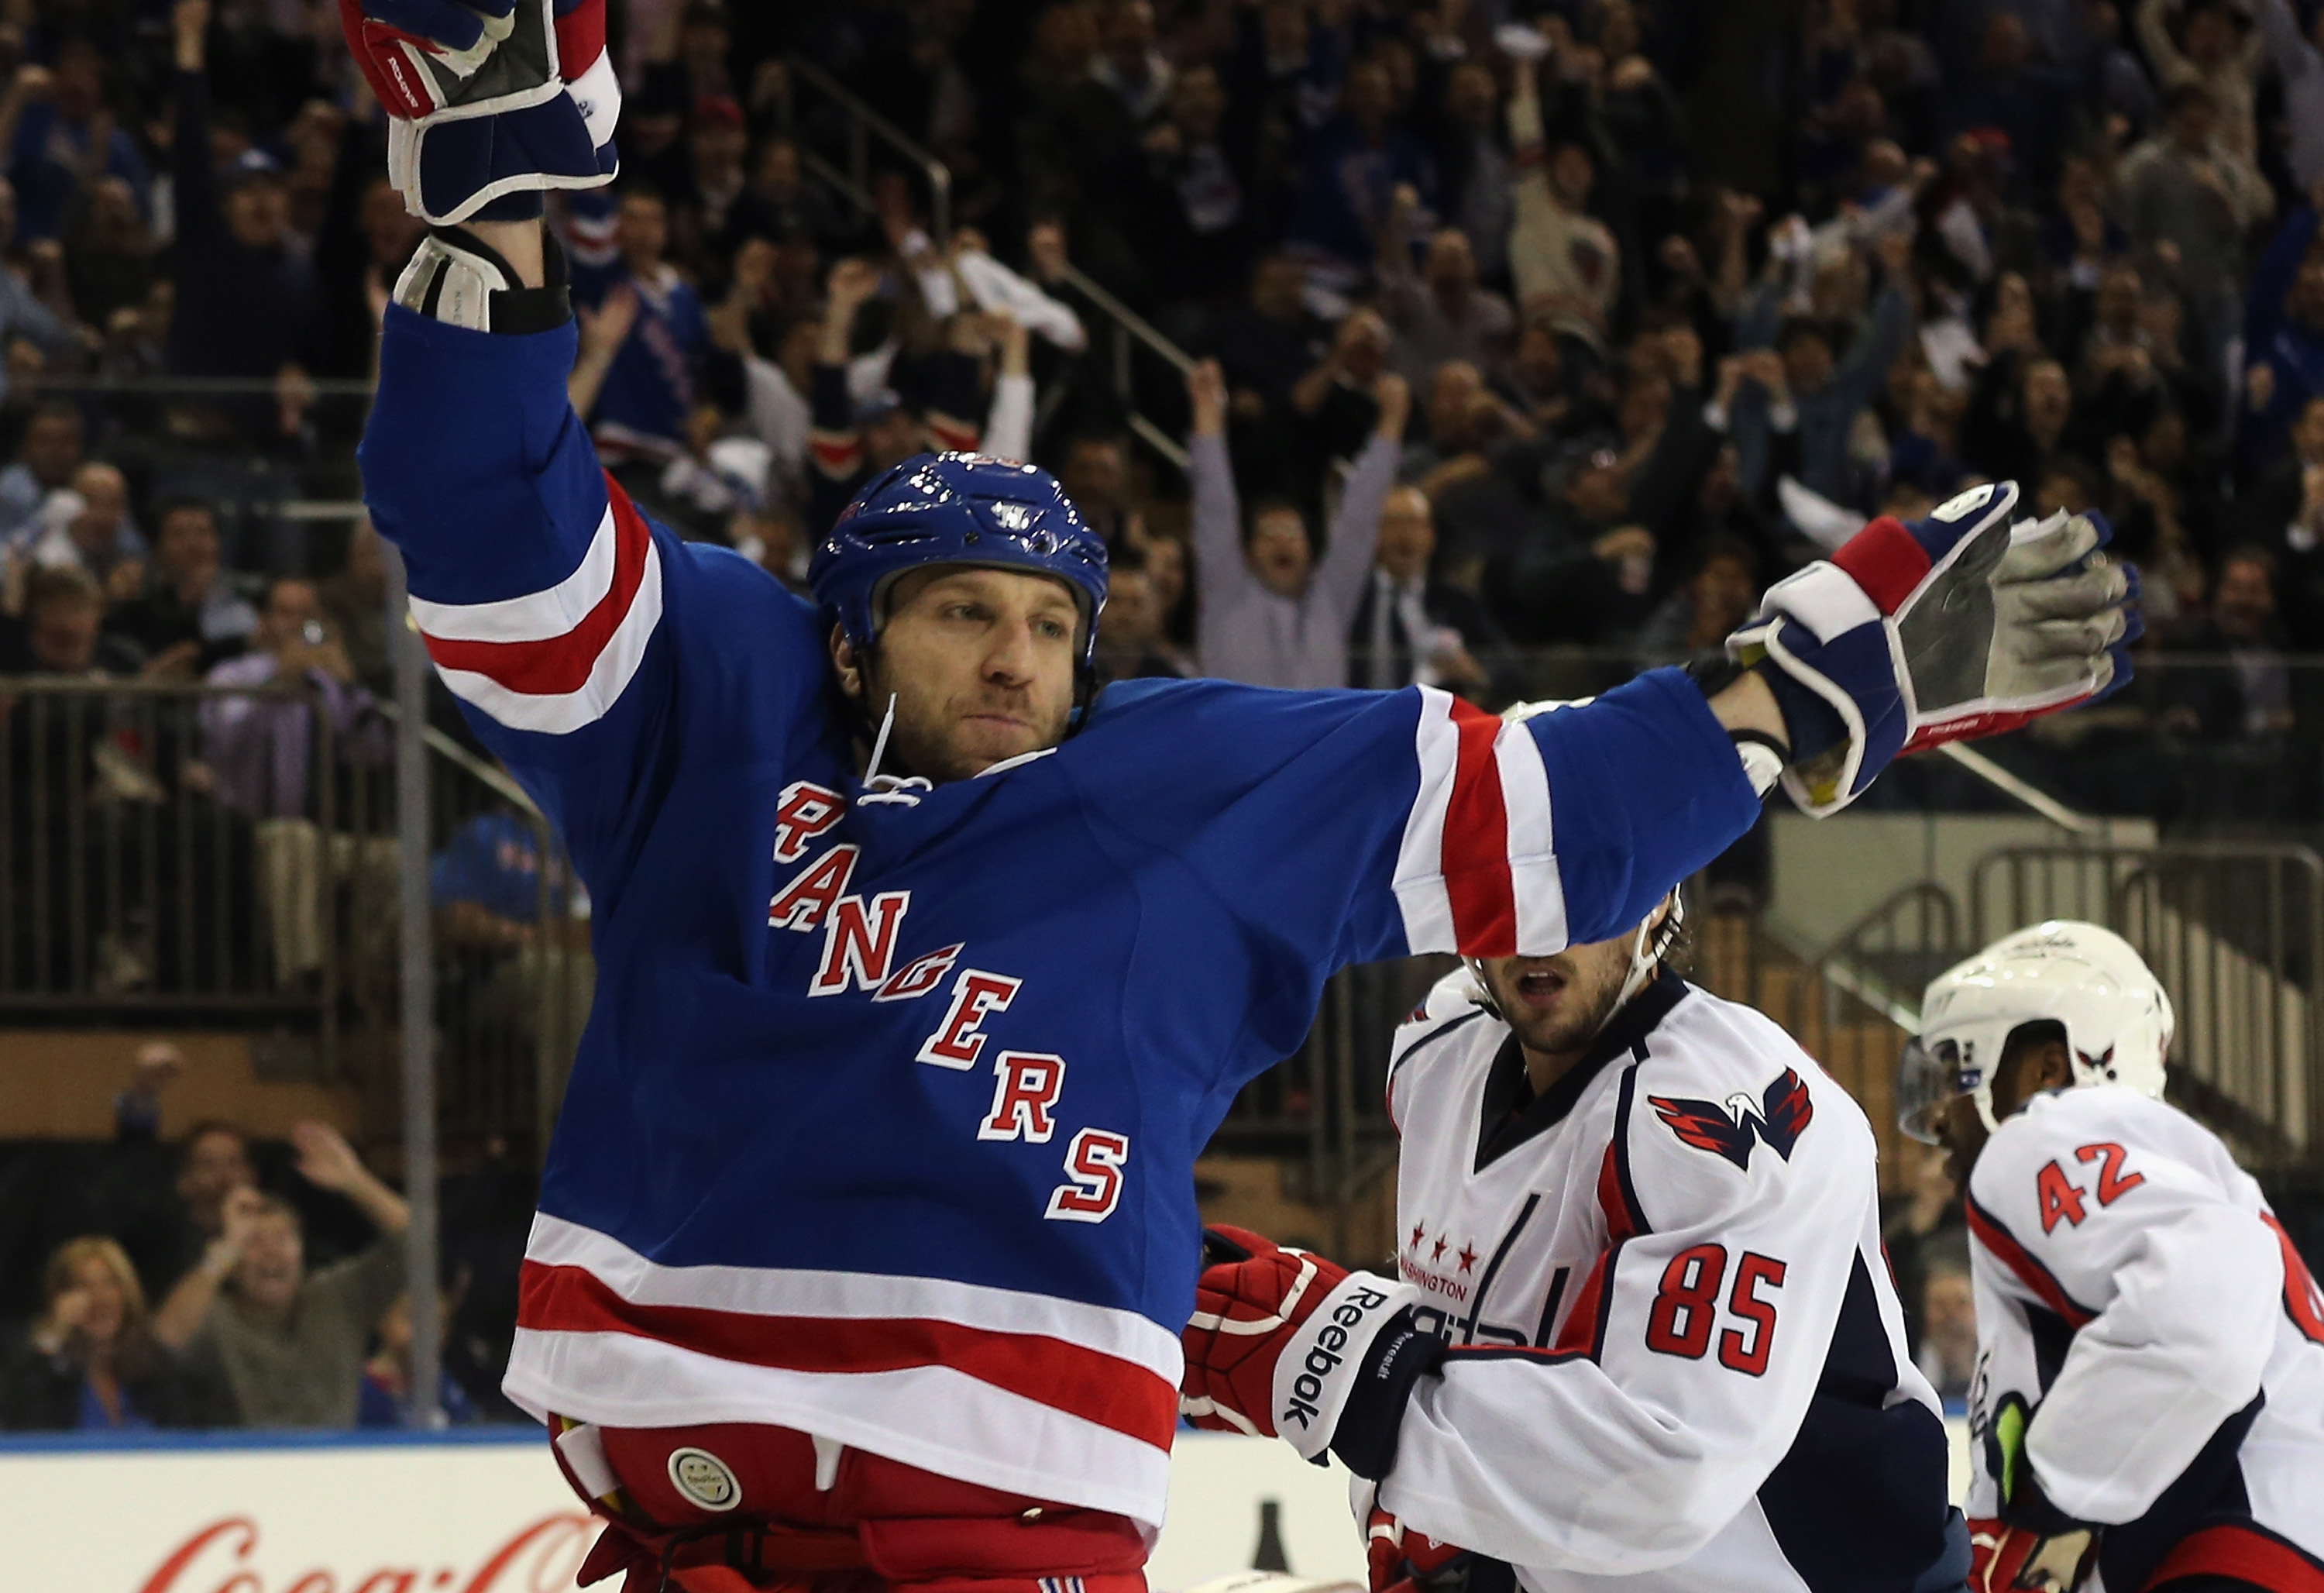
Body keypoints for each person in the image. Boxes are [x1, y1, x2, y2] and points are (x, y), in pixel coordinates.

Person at [349, 172, 2128, 1588]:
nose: (1012, 657)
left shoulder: (1177, 782)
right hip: (682, 1473)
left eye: (1049, 625)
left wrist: (1809, 689)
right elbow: (496, 531)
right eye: (961, 608)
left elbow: (1553, 810)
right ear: (845, 636)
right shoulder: (717, 704)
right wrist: (490, 201)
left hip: (995, 1502)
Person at [1179, 879, 1961, 1591]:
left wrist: (1335, 1360)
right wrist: (1445, 1547)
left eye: (1579, 884)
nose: (1539, 928)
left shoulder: (1738, 1118)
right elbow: (1472, 1333)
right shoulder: (1439, 1043)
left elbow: (1662, 1470)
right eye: (1505, 881)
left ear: (1660, 897)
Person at [1902, 921, 2324, 1593]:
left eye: (1956, 1070)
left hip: (2246, 1548)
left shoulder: (2039, 1134)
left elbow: (2204, 1321)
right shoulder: (2173, 1174)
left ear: (2047, 1069)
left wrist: (2060, 1504)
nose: (1936, 1118)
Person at [152, 1122, 411, 1428]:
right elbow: (167, 1336)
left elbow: (417, 1241)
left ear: (302, 1250)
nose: (271, 1251)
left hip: (334, 1466)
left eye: (283, 1237)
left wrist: (357, 1183)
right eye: (253, 1242)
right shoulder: (217, 1316)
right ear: (231, 1262)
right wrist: (226, 1248)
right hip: (244, 1467)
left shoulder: (338, 1296)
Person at [1188, 356, 1408, 687]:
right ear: (1247, 554)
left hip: (1321, 740)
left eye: (1293, 534)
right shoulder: (1227, 591)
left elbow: (1359, 519)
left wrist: (1392, 423)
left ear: (1310, 550)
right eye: (1269, 535)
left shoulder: (1330, 600)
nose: (1282, 542)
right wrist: (1207, 414)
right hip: (1239, 738)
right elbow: (1214, 507)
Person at [0, 1235, 235, 1430]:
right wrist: (53, 1336)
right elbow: (18, 1416)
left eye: (109, 1284)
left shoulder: (152, 1368)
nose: (99, 1299)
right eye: (83, 1286)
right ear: (61, 1300)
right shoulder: (43, 1371)